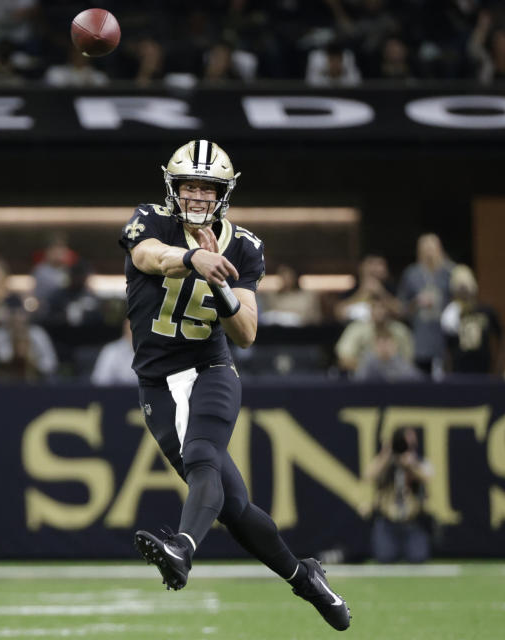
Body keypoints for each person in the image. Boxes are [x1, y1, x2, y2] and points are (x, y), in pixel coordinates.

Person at [119, 139, 350, 631]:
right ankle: (305, 577)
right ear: (171, 187)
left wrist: (221, 284)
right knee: (235, 506)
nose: (198, 195)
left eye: (208, 187)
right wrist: (192, 260)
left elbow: (245, 332)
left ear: (225, 193)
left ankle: (181, 548)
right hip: (157, 382)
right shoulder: (150, 220)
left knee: (203, 456)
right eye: (189, 185)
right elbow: (150, 257)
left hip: (211, 369)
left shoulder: (244, 246)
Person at [364, 428, 432, 563]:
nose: (405, 448)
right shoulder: (386, 463)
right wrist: (386, 455)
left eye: (410, 444)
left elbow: (428, 477)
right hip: (387, 523)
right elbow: (369, 476)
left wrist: (411, 465)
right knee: (385, 558)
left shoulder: (419, 462)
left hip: (412, 523)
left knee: (418, 559)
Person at [397, 233, 453, 376]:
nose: (429, 252)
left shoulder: (450, 271)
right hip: (421, 337)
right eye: (425, 249)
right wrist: (416, 302)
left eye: (432, 248)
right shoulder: (412, 274)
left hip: (446, 337)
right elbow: (401, 307)